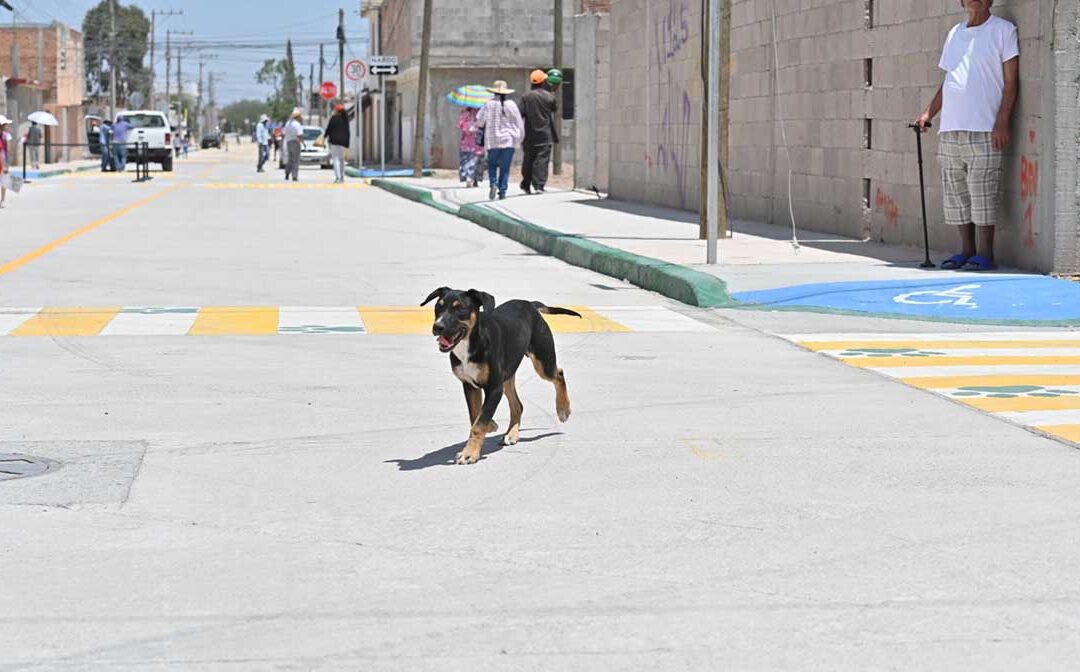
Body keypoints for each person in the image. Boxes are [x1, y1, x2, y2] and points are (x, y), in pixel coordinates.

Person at [915, 0, 1019, 272]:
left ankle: (985, 254)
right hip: (951, 127)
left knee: (982, 191)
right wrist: (928, 113)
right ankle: (966, 251)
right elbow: (950, 79)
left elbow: (1011, 81)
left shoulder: (1003, 30)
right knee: (956, 193)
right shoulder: (955, 33)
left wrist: (1002, 121)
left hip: (985, 127)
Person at [476, 80, 523, 200]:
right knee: (505, 167)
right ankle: (502, 191)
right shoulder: (512, 104)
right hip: (509, 140)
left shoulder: (488, 104)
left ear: (494, 92)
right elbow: (519, 122)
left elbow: (480, 121)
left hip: (493, 141)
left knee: (492, 164)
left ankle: (493, 184)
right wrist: (520, 137)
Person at [516, 69, 558, 194]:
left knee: (528, 159)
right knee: (542, 160)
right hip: (545, 134)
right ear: (543, 81)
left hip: (529, 134)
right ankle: (539, 185)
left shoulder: (525, 96)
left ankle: (526, 184)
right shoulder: (549, 96)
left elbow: (520, 113)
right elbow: (554, 108)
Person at [457, 106, 484, 188]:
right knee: (475, 161)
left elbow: (460, 126)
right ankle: (472, 178)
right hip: (476, 143)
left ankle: (470, 178)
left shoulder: (464, 113)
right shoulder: (481, 113)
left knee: (467, 161)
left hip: (467, 143)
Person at [324, 103, 350, 183]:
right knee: (342, 160)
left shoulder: (333, 118)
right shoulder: (346, 119)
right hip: (343, 142)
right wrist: (347, 143)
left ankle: (338, 177)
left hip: (334, 141)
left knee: (335, 159)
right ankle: (342, 177)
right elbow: (348, 132)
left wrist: (324, 137)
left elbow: (329, 129)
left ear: (337, 111)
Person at [283, 107, 305, 181]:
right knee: (296, 160)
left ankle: (287, 173)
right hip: (296, 142)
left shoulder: (288, 123)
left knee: (290, 159)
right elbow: (300, 135)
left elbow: (284, 133)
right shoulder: (297, 124)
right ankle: (294, 176)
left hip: (289, 142)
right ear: (297, 116)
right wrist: (303, 142)